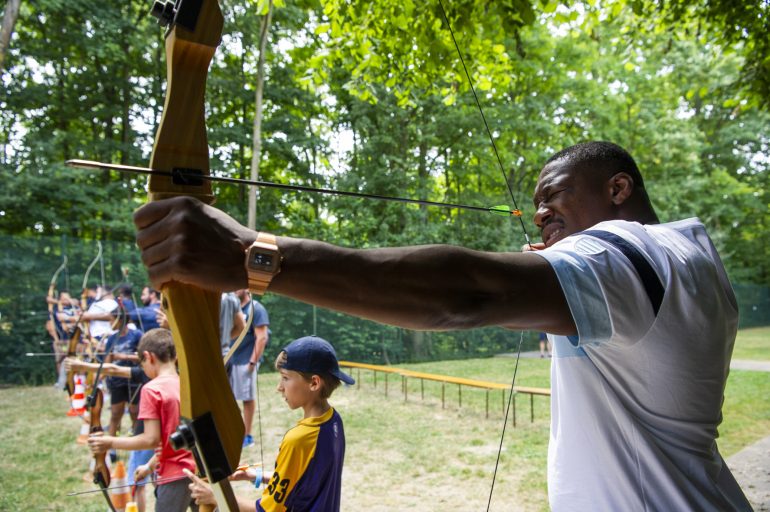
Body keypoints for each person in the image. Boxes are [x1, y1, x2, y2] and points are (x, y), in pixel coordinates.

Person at [134, 141, 751, 510]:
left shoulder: (629, 252)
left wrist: (253, 257)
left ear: (618, 188)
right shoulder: (687, 256)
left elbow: (468, 292)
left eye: (554, 196)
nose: (539, 214)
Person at [186, 335, 353, 512]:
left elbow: (266, 510)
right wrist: (256, 475)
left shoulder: (299, 439)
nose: (279, 387)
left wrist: (214, 496)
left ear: (314, 383)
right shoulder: (334, 420)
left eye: (285, 378)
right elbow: (305, 479)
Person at [88, 328, 198, 512]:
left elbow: (151, 439)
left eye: (142, 363)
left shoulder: (152, 389)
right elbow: (174, 440)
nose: (143, 369)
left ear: (149, 356)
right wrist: (148, 467)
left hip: (174, 476)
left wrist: (109, 442)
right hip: (199, 471)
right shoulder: (186, 384)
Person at [64, 356, 153, 512]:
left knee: (136, 483)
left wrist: (80, 365)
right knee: (161, 483)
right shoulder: (172, 377)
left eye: (143, 359)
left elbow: (114, 369)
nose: (141, 363)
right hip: (167, 445)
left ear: (151, 357)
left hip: (147, 439)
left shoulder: (150, 373)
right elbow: (113, 369)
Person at [228, 289, 269, 448]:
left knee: (247, 398)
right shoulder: (232, 307)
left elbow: (262, 337)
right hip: (231, 360)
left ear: (247, 288)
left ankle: (247, 436)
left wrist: (252, 362)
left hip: (246, 361)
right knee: (230, 399)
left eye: (238, 286)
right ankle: (235, 432)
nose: (234, 289)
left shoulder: (256, 308)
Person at [101, 308, 142, 439]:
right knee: (115, 413)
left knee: (135, 411)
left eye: (111, 320)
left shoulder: (136, 335)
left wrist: (123, 356)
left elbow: (144, 357)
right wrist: (101, 376)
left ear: (119, 320)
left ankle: (136, 439)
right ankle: (111, 446)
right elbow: (107, 361)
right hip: (117, 380)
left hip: (134, 378)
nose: (109, 323)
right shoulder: (111, 339)